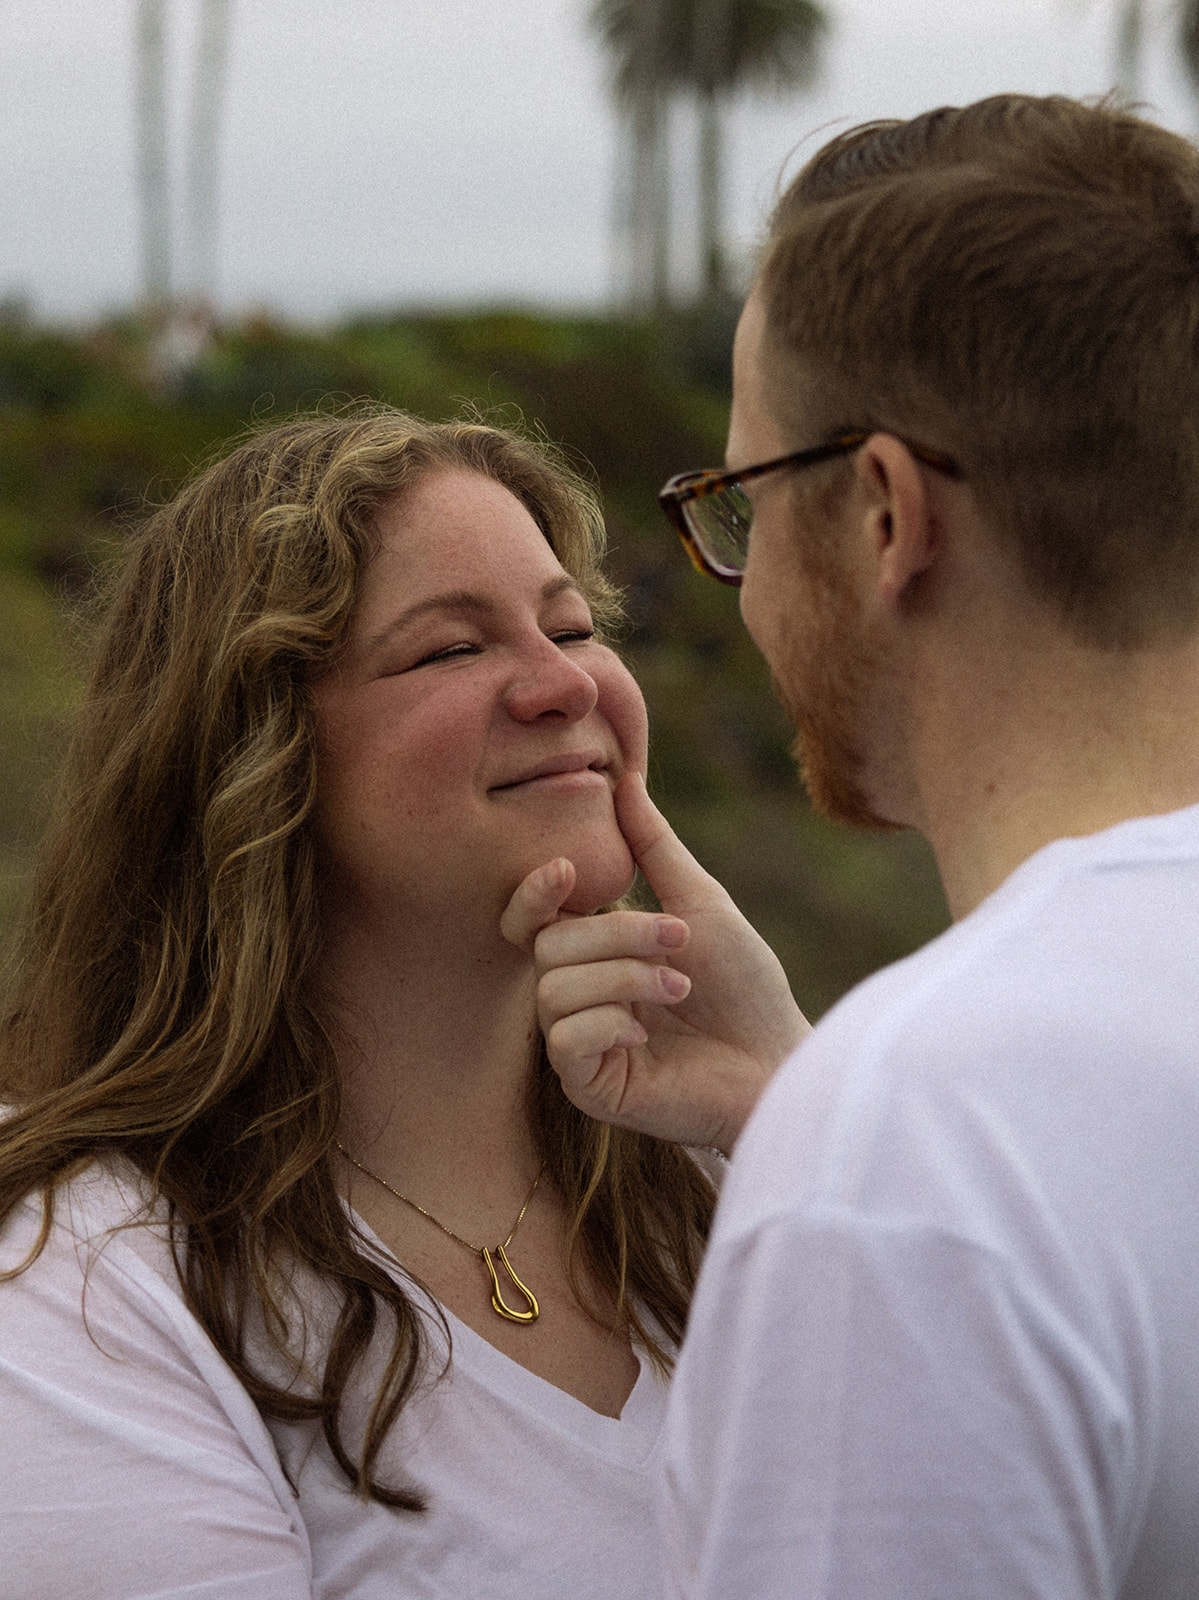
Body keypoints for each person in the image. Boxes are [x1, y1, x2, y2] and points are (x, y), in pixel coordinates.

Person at [514, 95, 1199, 1597]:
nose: (740, 591)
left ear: (885, 514)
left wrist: (839, 1127)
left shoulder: (914, 1154)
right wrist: (789, 1090)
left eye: (738, 505)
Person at [0, 406, 802, 1598]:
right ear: (256, 759)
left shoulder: (730, 1167)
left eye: (574, 624)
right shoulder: (97, 1290)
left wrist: (792, 1099)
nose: (561, 680)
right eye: (450, 649)